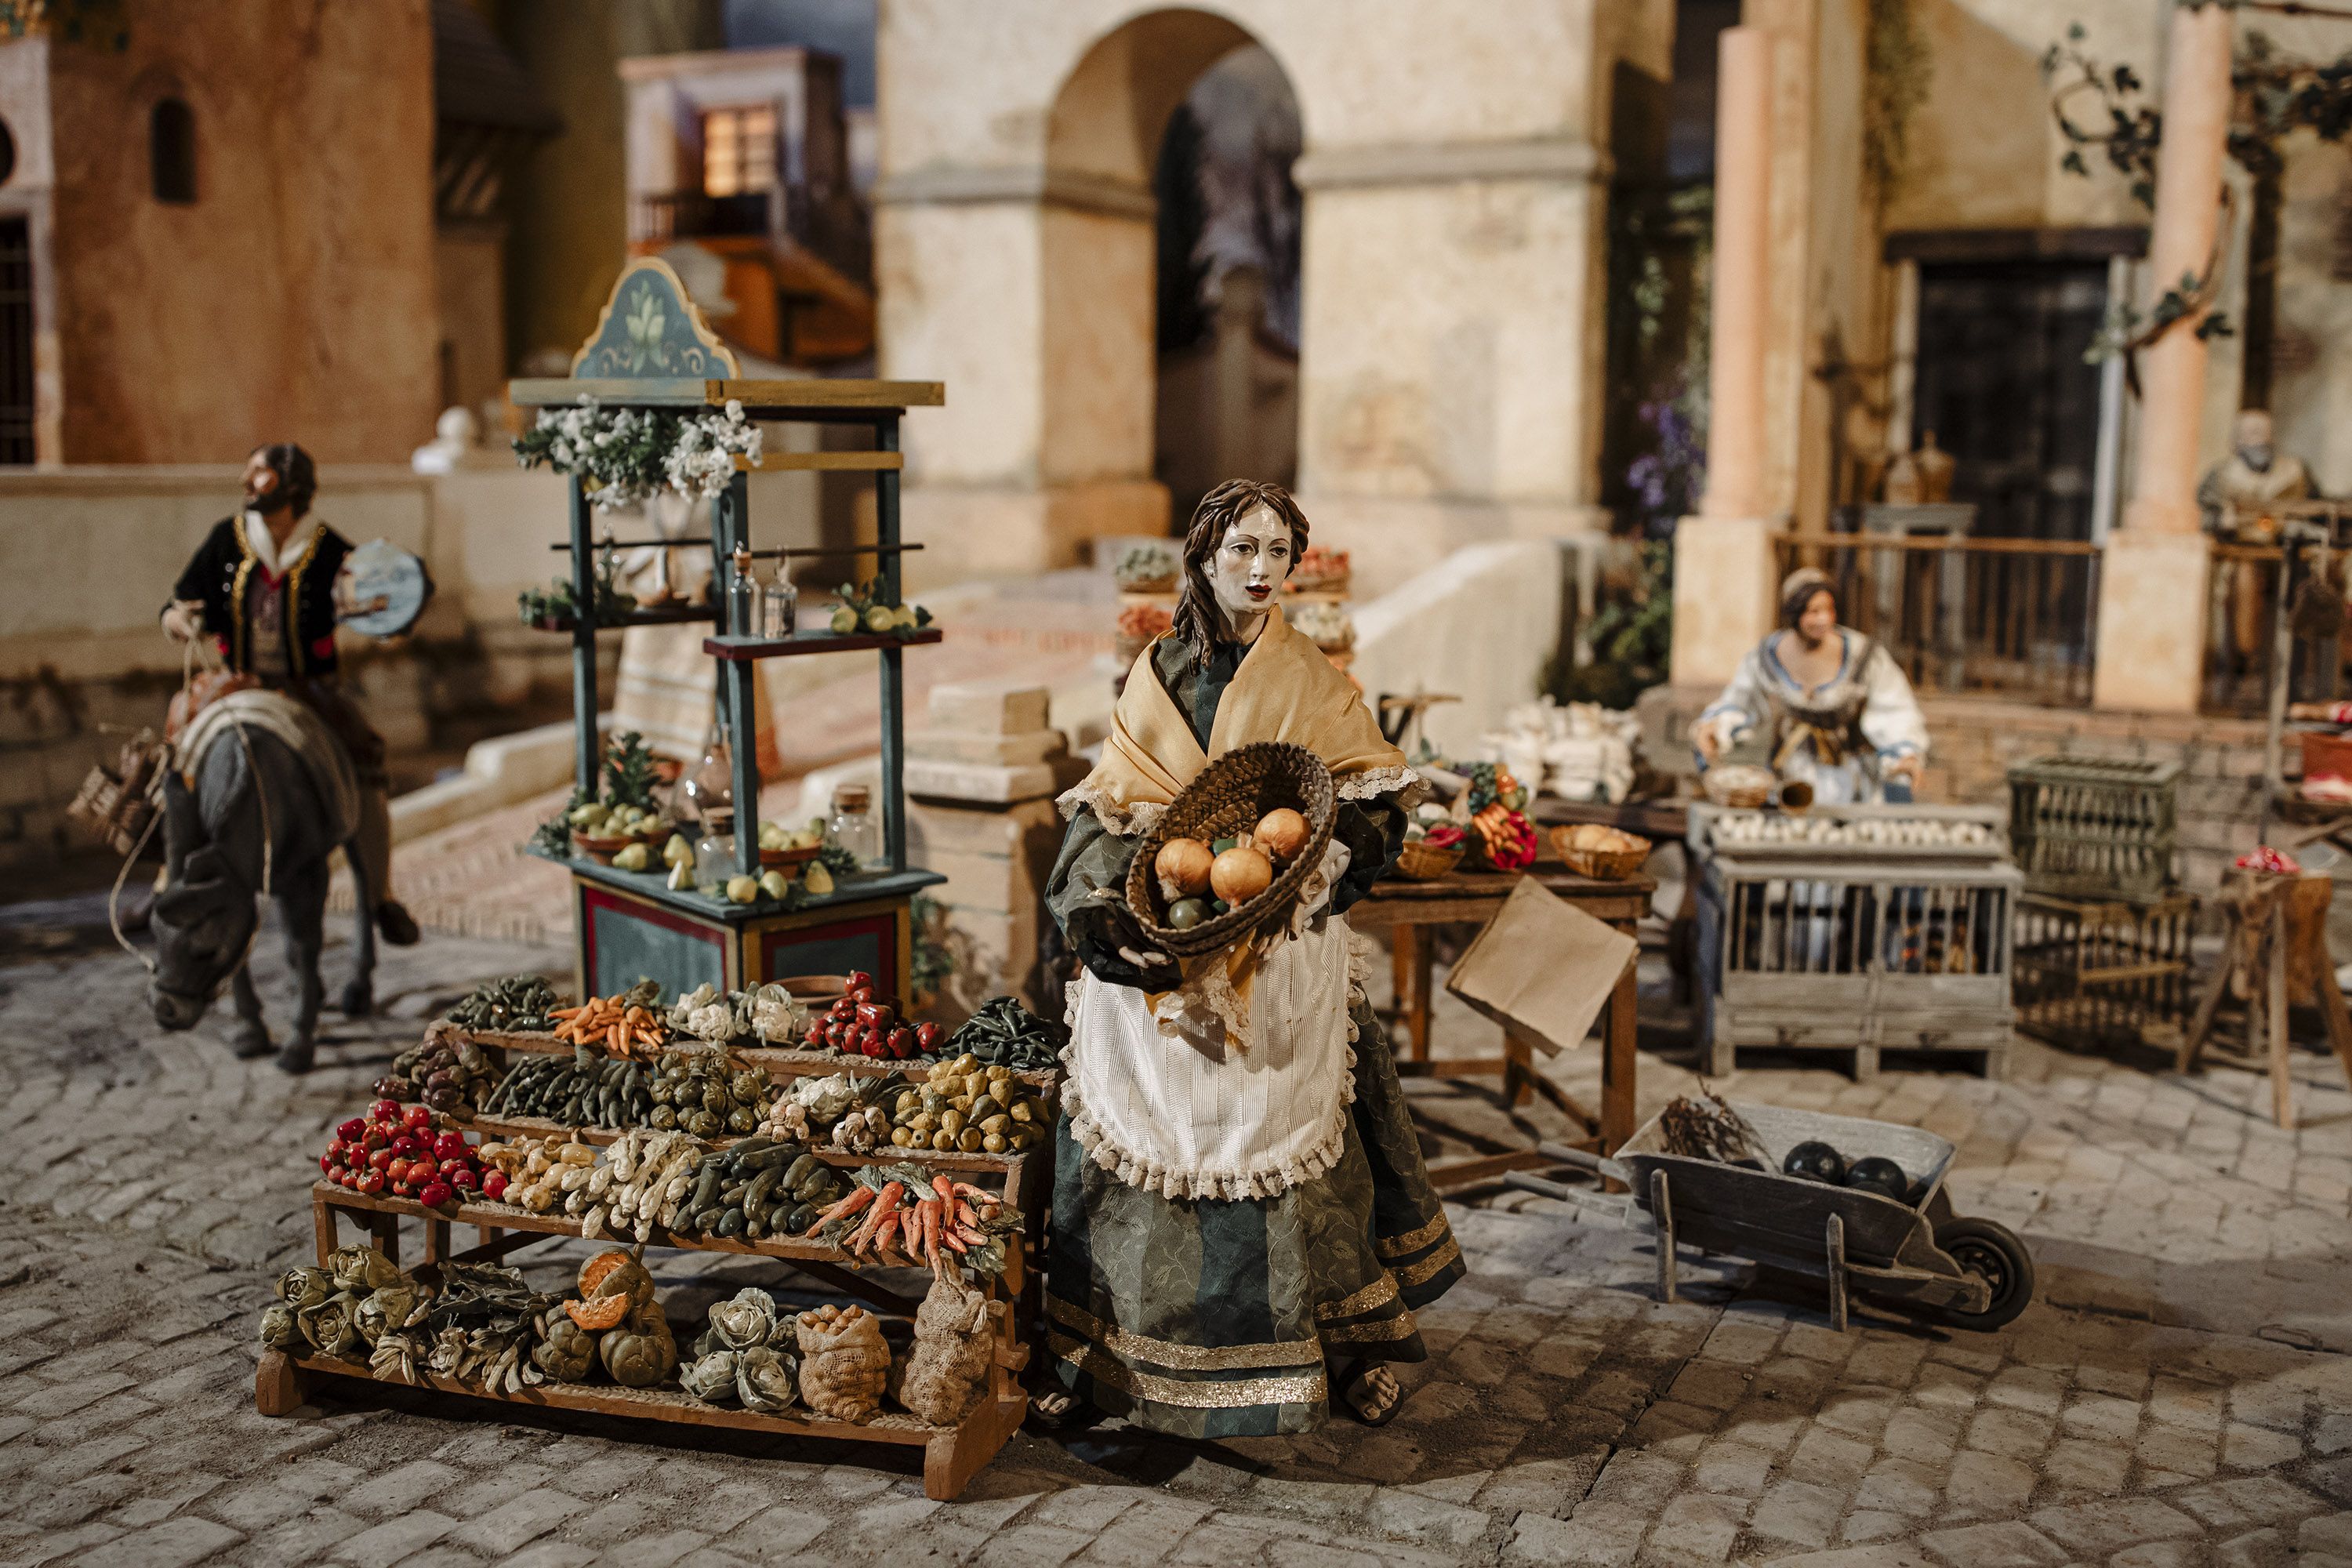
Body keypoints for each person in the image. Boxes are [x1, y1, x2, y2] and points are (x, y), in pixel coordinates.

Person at [1037, 479, 1461, 1436]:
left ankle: (1336, 1348)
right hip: (1168, 937)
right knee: (1134, 1133)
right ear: (1203, 556)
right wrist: (1098, 911)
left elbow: (1379, 792)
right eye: (1243, 550)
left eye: (1279, 553)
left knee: (1308, 1148)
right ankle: (1103, 1352)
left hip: (1278, 945)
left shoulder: (1311, 677)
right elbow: (1115, 802)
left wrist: (1331, 841)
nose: (1262, 569)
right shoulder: (1155, 671)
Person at [162, 443, 419, 946]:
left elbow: (374, 609)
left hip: (308, 689)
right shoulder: (226, 539)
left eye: (259, 473)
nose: (246, 480)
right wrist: (180, 619)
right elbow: (176, 602)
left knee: (365, 753)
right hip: (236, 681)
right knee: (177, 746)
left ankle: (381, 895)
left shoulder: (329, 550)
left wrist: (393, 621)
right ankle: (165, 878)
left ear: (289, 484)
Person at [1693, 567, 1927, 804]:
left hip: (1849, 771)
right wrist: (1717, 727)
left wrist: (1904, 752)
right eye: (1813, 611)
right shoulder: (1767, 655)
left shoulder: (1862, 655)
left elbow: (1894, 707)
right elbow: (1741, 700)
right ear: (1795, 614)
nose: (1823, 619)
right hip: (1792, 770)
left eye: (1829, 609)